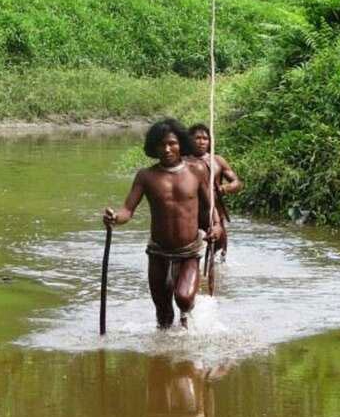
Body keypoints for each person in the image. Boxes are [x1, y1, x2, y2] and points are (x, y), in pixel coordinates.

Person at [103, 119, 222, 329]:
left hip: (189, 250)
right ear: (153, 148)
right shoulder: (146, 176)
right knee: (163, 312)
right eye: (161, 145)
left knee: (184, 298)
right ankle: (164, 353)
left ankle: (187, 320)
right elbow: (127, 210)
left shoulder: (197, 170)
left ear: (181, 144)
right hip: (158, 251)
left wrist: (216, 225)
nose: (167, 149)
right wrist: (115, 219)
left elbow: (209, 205)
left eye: (172, 143)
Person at [188, 123, 243, 259]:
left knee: (218, 248)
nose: (201, 142)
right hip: (190, 213)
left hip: (214, 211)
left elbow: (237, 183)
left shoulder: (217, 161)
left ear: (210, 141)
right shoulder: (183, 162)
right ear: (189, 140)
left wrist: (224, 188)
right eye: (197, 138)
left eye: (205, 138)